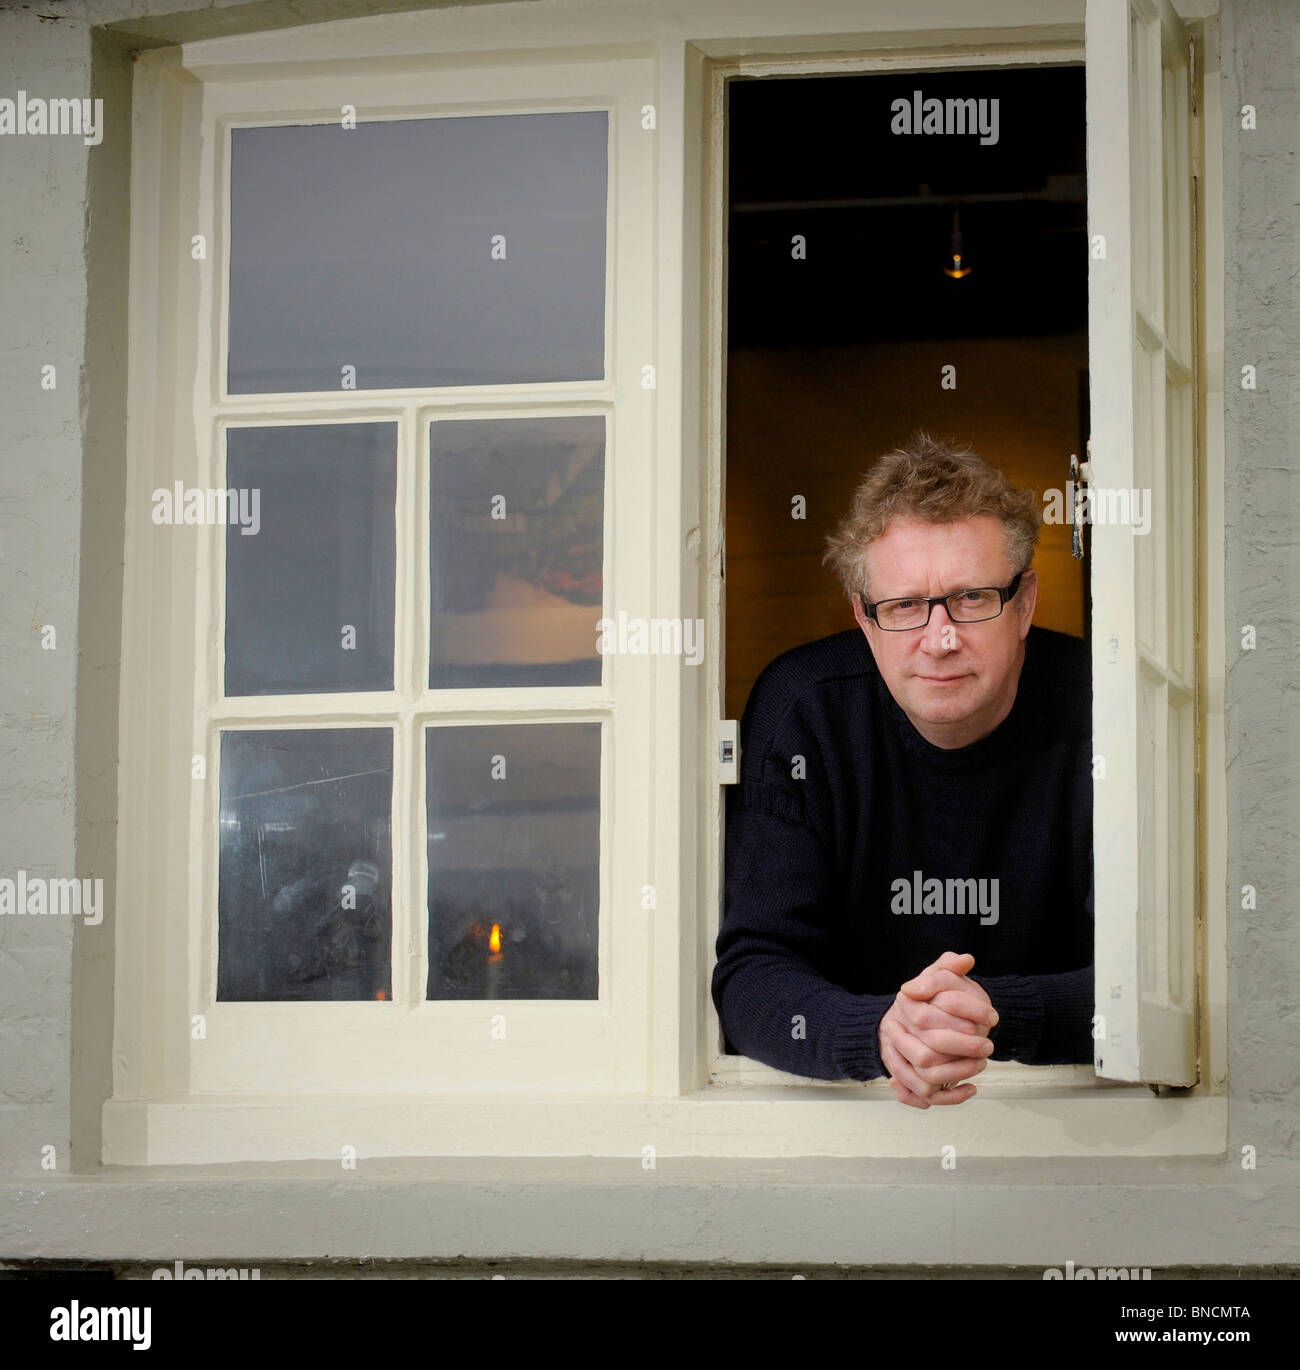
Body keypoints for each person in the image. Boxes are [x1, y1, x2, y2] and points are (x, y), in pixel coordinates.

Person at [712, 432, 1094, 1108]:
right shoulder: (806, 711)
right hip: (851, 1131)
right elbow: (753, 976)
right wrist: (883, 1034)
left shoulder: (1105, 706)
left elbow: (1152, 979)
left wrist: (985, 1013)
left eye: (972, 598)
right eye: (905, 607)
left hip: (1068, 1121)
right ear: (862, 616)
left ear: (1026, 601)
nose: (940, 638)